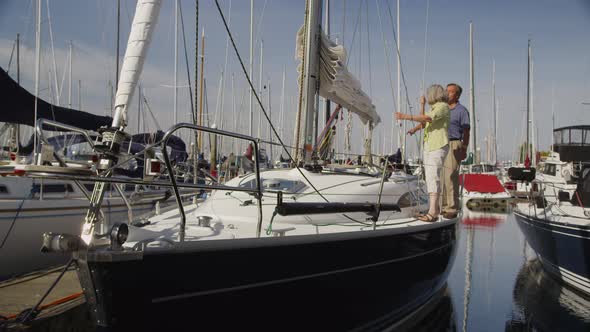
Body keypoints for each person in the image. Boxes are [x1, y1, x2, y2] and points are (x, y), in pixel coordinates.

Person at [396, 84, 450, 222]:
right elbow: (424, 120)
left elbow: (427, 119)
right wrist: (415, 128)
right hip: (430, 146)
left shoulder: (442, 106)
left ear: (433, 94)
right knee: (430, 178)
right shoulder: (434, 108)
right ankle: (434, 210)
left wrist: (404, 116)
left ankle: (433, 212)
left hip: (437, 145)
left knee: (433, 178)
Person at [440, 83, 470, 218]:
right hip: (441, 144)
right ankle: (443, 206)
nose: (447, 93)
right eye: (446, 91)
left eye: (450, 92)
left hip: (454, 143)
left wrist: (464, 147)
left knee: (450, 176)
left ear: (457, 95)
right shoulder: (443, 109)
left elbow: (466, 130)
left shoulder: (462, 111)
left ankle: (452, 208)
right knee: (441, 177)